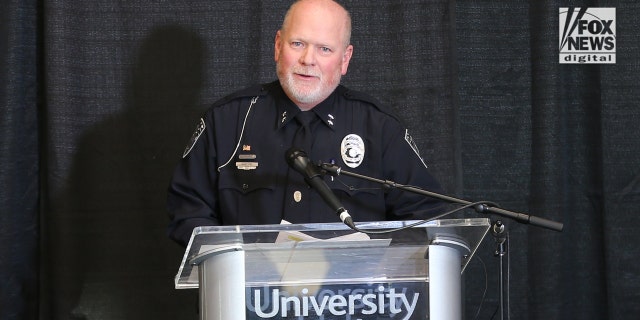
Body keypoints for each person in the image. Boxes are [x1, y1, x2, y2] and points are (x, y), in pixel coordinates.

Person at [167, 0, 444, 247]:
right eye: (297, 44)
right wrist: (234, 261)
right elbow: (188, 212)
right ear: (278, 46)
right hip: (251, 300)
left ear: (345, 59)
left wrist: (375, 267)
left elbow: (426, 218)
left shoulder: (381, 129)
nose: (307, 60)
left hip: (351, 300)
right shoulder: (226, 121)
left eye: (324, 49)